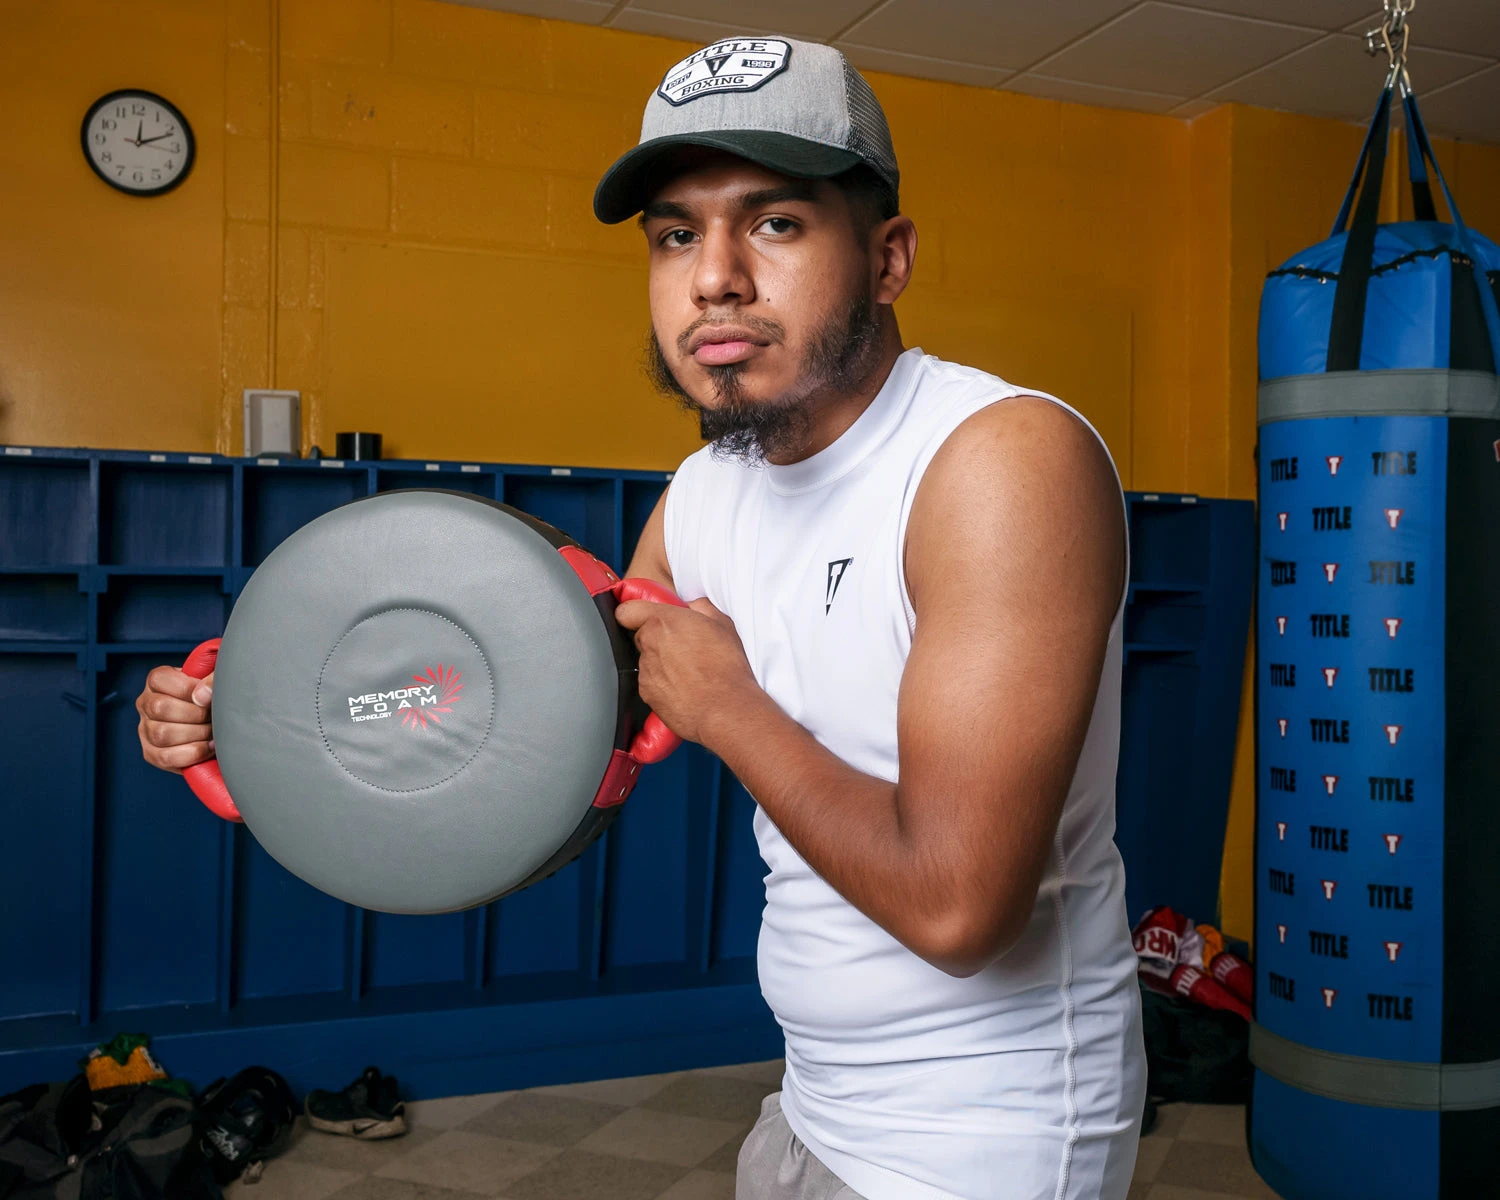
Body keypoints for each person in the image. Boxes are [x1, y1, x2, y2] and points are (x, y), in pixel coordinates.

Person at [137, 34, 1145, 1200]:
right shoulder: (711, 491)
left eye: (775, 223)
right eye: (676, 234)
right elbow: (544, 740)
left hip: (992, 1139)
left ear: (888, 258)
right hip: (815, 1096)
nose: (714, 275)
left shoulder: (998, 462)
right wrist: (257, 724)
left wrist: (727, 706)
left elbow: (961, 909)